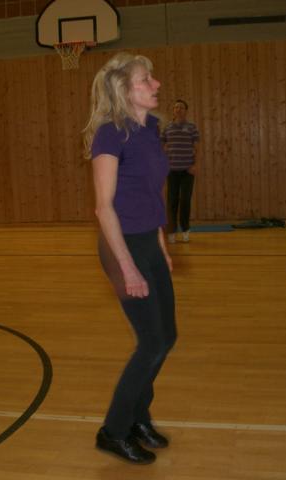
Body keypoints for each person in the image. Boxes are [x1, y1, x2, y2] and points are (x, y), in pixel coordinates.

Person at [83, 52, 177, 465]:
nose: (156, 84)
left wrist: (161, 247)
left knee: (166, 337)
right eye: (145, 79)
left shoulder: (151, 129)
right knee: (152, 342)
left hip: (147, 241)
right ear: (123, 89)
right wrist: (128, 267)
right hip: (121, 245)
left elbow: (151, 195)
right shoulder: (110, 135)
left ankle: (139, 417)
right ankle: (114, 430)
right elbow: (104, 208)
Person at [161, 100, 200, 243]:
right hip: (172, 171)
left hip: (187, 171)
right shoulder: (167, 128)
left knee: (185, 201)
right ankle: (171, 231)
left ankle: (185, 229)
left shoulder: (192, 127)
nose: (178, 109)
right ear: (173, 110)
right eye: (176, 107)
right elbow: (161, 145)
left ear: (186, 110)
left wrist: (195, 165)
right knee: (172, 201)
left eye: (181, 107)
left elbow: (197, 148)